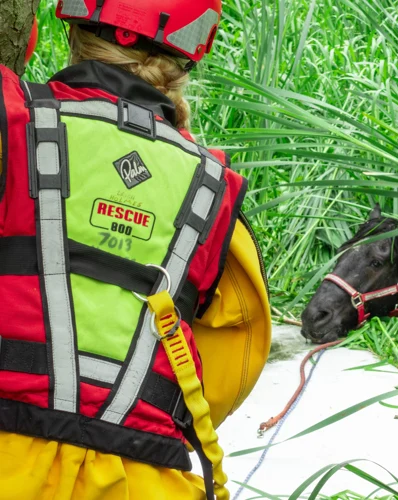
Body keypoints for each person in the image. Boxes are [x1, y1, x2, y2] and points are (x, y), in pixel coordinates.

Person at [0, 1, 272, 499]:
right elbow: (234, 364)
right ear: (189, 53)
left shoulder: (13, 123)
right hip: (146, 478)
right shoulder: (214, 188)